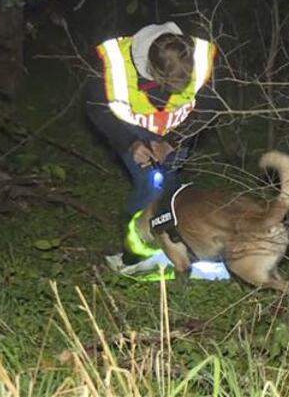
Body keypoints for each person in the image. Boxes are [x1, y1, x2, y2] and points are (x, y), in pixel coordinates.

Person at [86, 22, 226, 279]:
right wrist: (131, 143)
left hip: (178, 131)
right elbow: (96, 108)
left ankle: (175, 244)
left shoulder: (201, 58)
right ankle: (133, 251)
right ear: (151, 70)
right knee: (149, 187)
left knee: (171, 188)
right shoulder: (114, 62)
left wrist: (173, 139)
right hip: (132, 132)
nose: (180, 90)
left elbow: (209, 105)